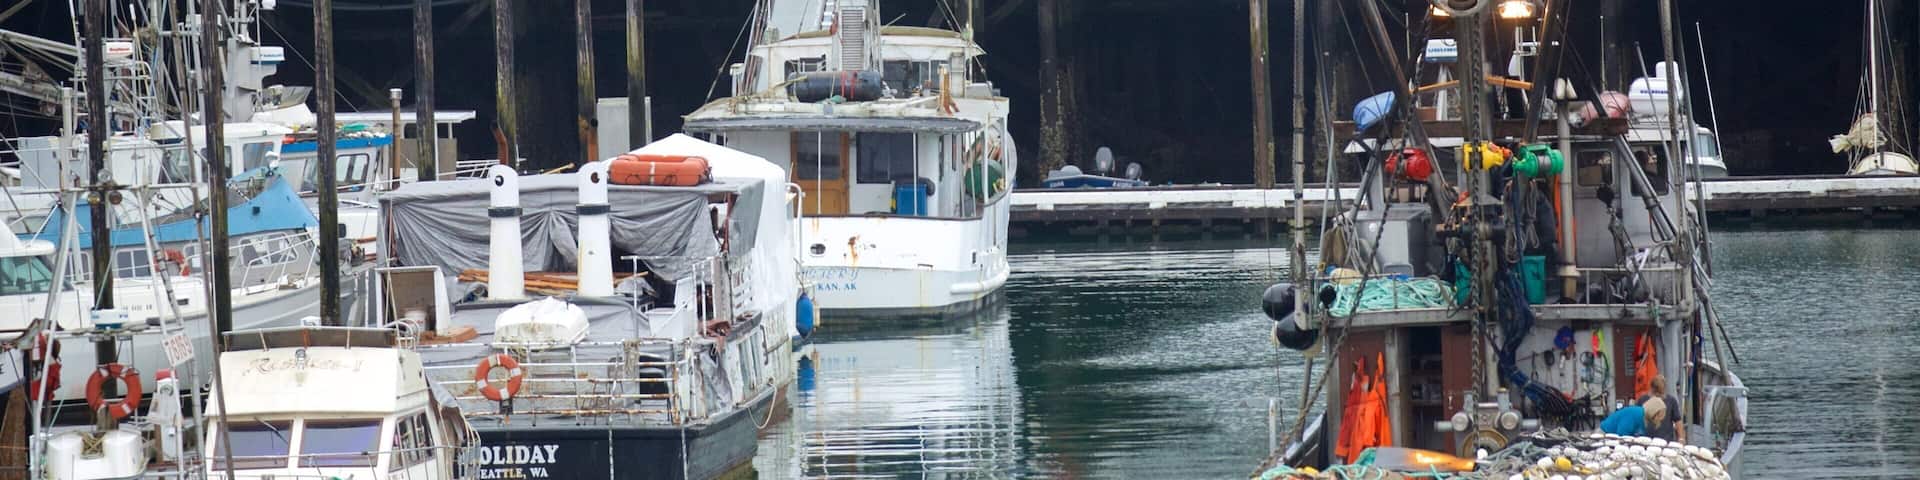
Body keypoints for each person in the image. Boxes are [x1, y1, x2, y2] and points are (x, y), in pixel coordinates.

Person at [1638, 374, 1685, 443]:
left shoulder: (1671, 401)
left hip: (1662, 442)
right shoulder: (1643, 400)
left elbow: (1678, 420)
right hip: (1648, 441)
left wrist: (1681, 438)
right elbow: (1678, 420)